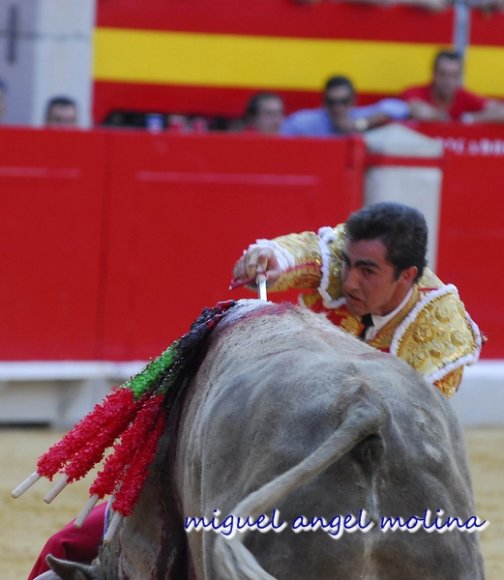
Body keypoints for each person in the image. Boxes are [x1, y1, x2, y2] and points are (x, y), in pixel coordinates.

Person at [232, 202, 482, 397]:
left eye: (368, 272)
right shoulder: (345, 256)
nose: (349, 282)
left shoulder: (442, 332)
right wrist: (271, 258)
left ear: (407, 276)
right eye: (348, 264)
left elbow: (412, 427)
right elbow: (303, 253)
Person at [281, 75, 410, 137]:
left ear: (353, 101)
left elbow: (400, 108)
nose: (338, 108)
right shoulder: (304, 122)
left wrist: (360, 124)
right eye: (332, 102)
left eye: (344, 101)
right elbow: (278, 135)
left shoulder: (359, 116)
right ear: (324, 102)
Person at [402, 49, 504, 124]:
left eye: (454, 75)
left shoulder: (464, 96)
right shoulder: (415, 92)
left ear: (460, 77)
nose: (448, 80)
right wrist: (447, 119)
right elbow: (418, 111)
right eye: (443, 74)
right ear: (433, 73)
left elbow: (501, 111)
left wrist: (472, 118)